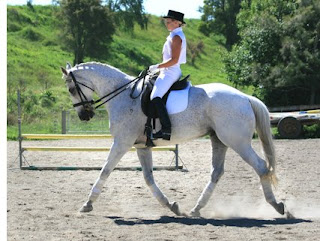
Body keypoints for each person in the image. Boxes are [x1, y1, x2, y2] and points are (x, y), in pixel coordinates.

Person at [148, 10, 187, 141]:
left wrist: (157, 67)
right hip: (167, 70)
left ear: (177, 23)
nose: (167, 23)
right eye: (166, 21)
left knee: (155, 96)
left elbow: (174, 60)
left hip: (171, 71)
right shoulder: (173, 35)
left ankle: (166, 129)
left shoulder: (177, 37)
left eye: (169, 21)